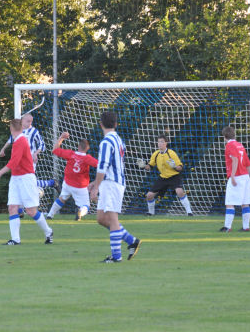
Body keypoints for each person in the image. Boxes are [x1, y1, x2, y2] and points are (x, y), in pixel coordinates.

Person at [0, 118, 53, 245]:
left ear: (11, 129)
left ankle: (48, 232)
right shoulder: (17, 140)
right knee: (12, 208)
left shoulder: (21, 141)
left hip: (26, 178)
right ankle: (15, 239)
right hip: (16, 178)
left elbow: (14, 162)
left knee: (31, 211)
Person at [89, 111, 141, 263]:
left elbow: (103, 166)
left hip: (112, 184)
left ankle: (116, 257)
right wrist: (96, 183)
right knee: (101, 218)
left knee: (112, 218)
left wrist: (95, 187)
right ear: (116, 124)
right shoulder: (118, 139)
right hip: (109, 183)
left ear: (100, 124)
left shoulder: (106, 142)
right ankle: (131, 240)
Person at [46, 132, 98, 221]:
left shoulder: (71, 154)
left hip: (67, 184)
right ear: (87, 148)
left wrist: (61, 137)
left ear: (78, 146)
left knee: (62, 199)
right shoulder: (87, 158)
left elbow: (55, 150)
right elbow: (100, 165)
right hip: (80, 187)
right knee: (86, 205)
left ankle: (50, 215)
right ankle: (80, 212)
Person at [141, 134, 193, 216]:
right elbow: (149, 166)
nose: (159, 144)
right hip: (163, 177)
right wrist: (143, 166)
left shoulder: (171, 153)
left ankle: (189, 212)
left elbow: (180, 167)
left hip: (174, 176)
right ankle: (151, 213)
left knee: (179, 192)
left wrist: (175, 167)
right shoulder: (156, 154)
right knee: (149, 195)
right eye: (158, 142)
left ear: (166, 143)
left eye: (162, 142)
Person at [219, 126, 250, 232]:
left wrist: (232, 176)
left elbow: (235, 160)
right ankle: (246, 227)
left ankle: (227, 227)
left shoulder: (229, 145)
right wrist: (247, 177)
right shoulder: (240, 145)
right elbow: (247, 164)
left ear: (224, 136)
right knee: (245, 202)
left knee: (229, 202)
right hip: (245, 176)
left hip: (237, 176)